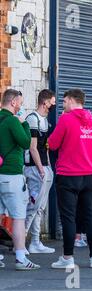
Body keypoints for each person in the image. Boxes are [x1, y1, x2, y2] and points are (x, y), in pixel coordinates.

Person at [48, 89, 92, 269]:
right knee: (90, 217)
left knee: (68, 218)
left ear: (73, 100)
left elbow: (53, 143)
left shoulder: (66, 119)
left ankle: (68, 258)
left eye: (64, 101)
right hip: (89, 177)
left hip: (67, 176)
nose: (62, 104)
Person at [0, 89, 40, 270]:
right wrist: (24, 124)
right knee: (18, 217)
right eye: (20, 103)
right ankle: (21, 258)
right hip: (12, 174)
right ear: (14, 102)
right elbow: (25, 143)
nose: (21, 106)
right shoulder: (12, 120)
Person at [23, 89, 56, 254]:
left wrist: (47, 168)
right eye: (52, 101)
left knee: (40, 207)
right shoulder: (33, 119)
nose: (54, 104)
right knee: (33, 206)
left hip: (44, 167)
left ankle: (35, 242)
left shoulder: (43, 120)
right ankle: (20, 243)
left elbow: (45, 148)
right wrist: (42, 169)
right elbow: (33, 148)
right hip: (35, 168)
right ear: (45, 102)